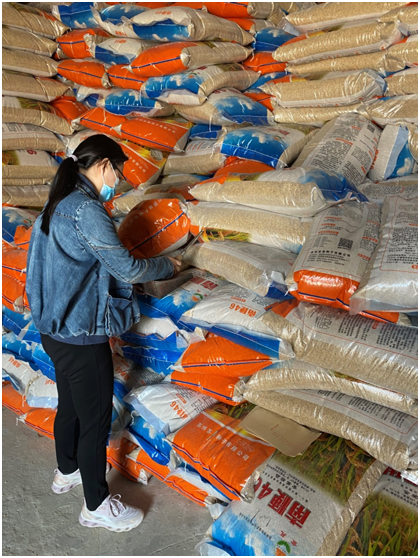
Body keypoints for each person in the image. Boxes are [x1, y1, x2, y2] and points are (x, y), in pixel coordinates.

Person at [26, 135, 182, 532]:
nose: (118, 182)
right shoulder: (85, 209)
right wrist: (169, 267)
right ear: (104, 166)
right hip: (81, 334)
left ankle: (66, 471)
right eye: (118, 173)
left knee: (71, 406)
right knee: (95, 421)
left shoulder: (58, 201)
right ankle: (95, 505)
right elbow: (126, 268)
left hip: (53, 329)